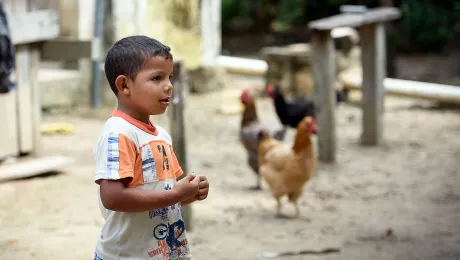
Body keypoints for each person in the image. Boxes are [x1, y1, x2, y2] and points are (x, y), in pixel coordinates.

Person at [92, 35, 209, 260]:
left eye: (170, 77)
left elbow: (161, 198)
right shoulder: (118, 133)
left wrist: (188, 194)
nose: (168, 86)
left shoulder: (161, 136)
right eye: (157, 78)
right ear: (124, 85)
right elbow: (113, 198)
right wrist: (176, 194)